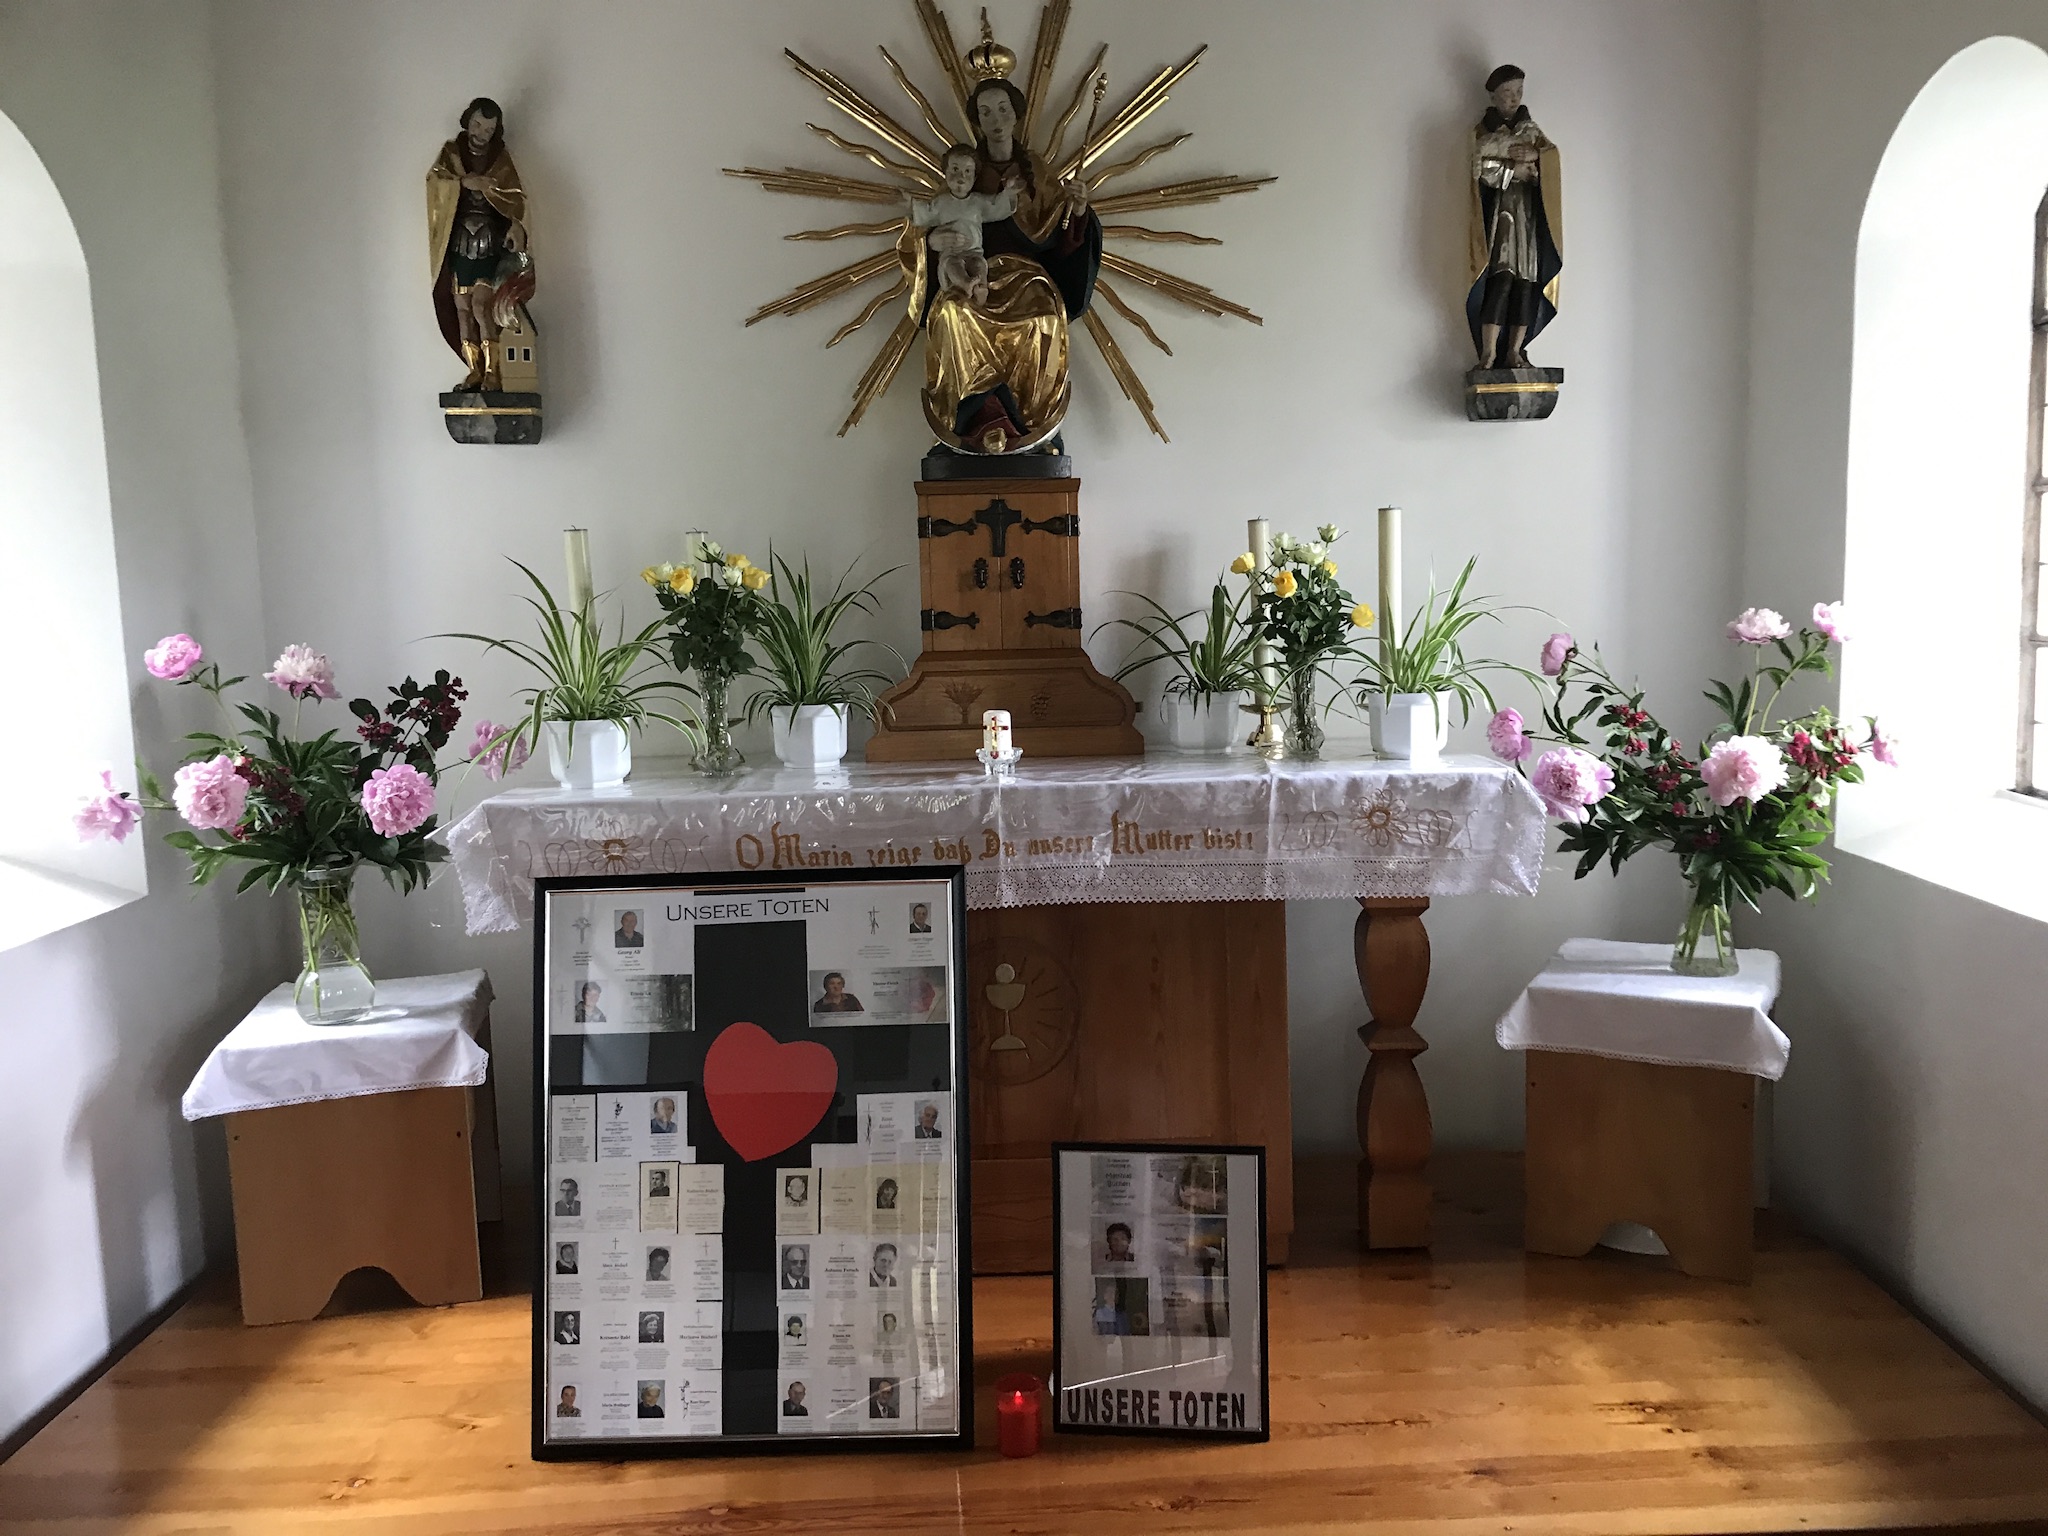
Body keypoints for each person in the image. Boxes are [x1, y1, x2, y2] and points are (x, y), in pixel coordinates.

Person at [915, 72, 1099, 454]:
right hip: (969, 272)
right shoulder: (963, 172)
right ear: (977, 121)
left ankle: (1030, 427)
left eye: (1002, 109)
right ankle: (965, 420)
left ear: (1016, 114)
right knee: (951, 313)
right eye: (985, 113)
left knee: (1044, 318)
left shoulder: (1037, 173)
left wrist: (1079, 210)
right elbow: (930, 221)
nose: (995, 120)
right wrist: (932, 241)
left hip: (1027, 278)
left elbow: (1062, 234)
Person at [425, 96, 534, 393]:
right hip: (460, 242)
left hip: (487, 241)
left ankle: (491, 371)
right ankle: (474, 370)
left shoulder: (500, 159)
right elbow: (436, 183)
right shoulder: (452, 154)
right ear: (467, 121)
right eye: (477, 125)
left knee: (481, 306)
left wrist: (515, 224)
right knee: (462, 309)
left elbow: (513, 197)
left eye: (488, 129)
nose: (481, 133)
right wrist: (463, 183)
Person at [1467, 64, 1562, 371]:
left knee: (1526, 284)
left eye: (1518, 92)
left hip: (1528, 220)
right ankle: (1489, 352)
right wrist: (1512, 169)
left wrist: (1536, 158)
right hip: (1502, 218)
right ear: (1494, 96)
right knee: (1501, 280)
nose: (1513, 98)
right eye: (1507, 92)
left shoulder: (1531, 131)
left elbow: (1551, 159)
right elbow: (1478, 168)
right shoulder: (1484, 132)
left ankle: (1515, 351)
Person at [906, 145, 1018, 308]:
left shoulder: (977, 202)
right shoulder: (942, 202)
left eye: (967, 172)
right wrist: (909, 204)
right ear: (945, 172)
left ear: (975, 177)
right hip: (951, 253)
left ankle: (981, 288)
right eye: (955, 169)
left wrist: (1008, 193)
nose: (961, 177)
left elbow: (995, 208)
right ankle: (966, 284)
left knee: (979, 265)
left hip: (974, 252)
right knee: (953, 265)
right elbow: (925, 214)